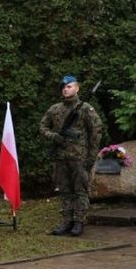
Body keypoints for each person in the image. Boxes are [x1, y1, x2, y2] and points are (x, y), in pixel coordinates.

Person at [39, 74, 101, 237]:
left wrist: (91, 157)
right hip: (61, 157)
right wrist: (54, 137)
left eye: (69, 86)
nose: (65, 89)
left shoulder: (86, 109)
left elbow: (95, 133)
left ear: (77, 88)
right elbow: (43, 127)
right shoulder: (55, 109)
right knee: (65, 191)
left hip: (79, 158)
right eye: (63, 87)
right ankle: (67, 221)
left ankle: (79, 222)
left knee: (80, 190)